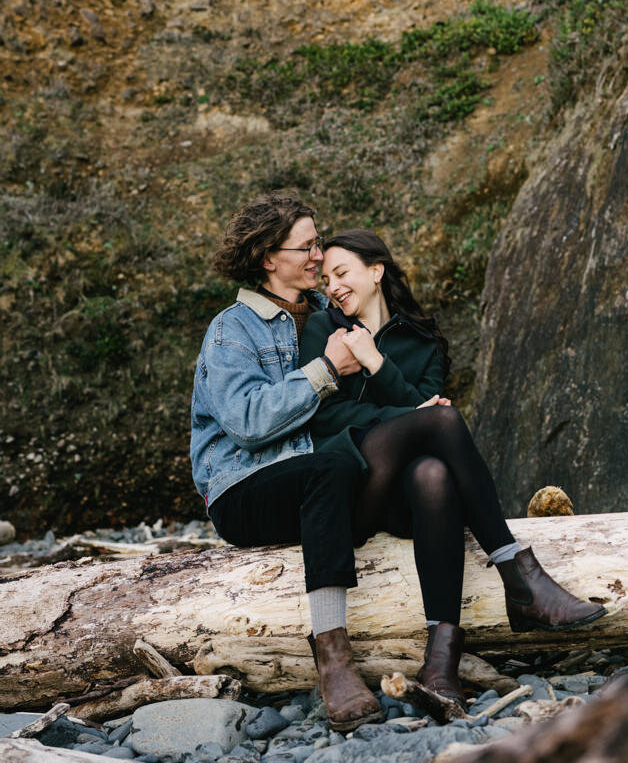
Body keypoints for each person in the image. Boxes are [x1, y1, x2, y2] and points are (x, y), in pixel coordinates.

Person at [300, 229, 606, 708]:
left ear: (375, 271)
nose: (332, 286)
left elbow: (424, 418)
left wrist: (378, 364)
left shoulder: (424, 344)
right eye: (326, 279)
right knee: (441, 418)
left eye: (342, 273)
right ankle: (517, 574)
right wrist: (404, 415)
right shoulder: (323, 331)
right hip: (349, 491)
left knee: (433, 474)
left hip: (408, 505)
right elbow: (322, 419)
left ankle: (440, 662)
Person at [190, 194, 385, 732]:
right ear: (267, 258)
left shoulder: (326, 316)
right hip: (241, 488)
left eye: (318, 242)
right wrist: (326, 370)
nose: (319, 255)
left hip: (314, 480)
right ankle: (334, 658)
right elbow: (247, 422)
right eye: (307, 246)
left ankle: (450, 636)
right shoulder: (232, 329)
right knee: (332, 469)